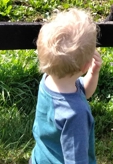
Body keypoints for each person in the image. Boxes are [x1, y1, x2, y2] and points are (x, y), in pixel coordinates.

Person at [30, 9, 102, 164]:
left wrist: (93, 74)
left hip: (40, 158)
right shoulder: (76, 114)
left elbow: (84, 92)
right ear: (85, 66)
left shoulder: (49, 81)